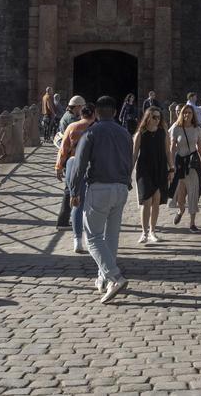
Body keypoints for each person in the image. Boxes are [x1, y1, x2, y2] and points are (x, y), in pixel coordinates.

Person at [69, 96, 134, 304]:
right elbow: (130, 160)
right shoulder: (125, 134)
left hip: (100, 187)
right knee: (111, 237)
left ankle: (114, 276)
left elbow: (79, 165)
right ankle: (103, 278)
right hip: (121, 187)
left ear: (96, 112)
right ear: (115, 112)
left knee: (94, 238)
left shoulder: (91, 132)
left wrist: (74, 190)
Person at [55, 103, 96, 253]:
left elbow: (63, 148)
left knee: (76, 200)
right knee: (92, 204)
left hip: (73, 162)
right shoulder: (96, 128)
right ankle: (91, 238)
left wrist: (59, 167)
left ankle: (77, 240)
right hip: (91, 164)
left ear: (81, 114)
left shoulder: (72, 127)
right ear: (93, 114)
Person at [132, 106, 173, 243]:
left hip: (160, 168)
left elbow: (168, 152)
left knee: (156, 200)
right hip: (144, 169)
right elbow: (134, 155)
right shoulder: (140, 133)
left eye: (159, 117)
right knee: (146, 200)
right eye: (154, 117)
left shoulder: (163, 133)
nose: (157, 120)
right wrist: (128, 173)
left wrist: (171, 169)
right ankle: (144, 232)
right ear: (148, 117)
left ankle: (152, 232)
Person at [168, 104, 201, 232]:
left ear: (193, 115)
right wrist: (170, 164)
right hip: (180, 163)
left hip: (193, 163)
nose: (187, 115)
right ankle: (181, 210)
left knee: (193, 193)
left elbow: (199, 147)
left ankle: (192, 223)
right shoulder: (176, 128)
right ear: (181, 114)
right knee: (180, 195)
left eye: (189, 113)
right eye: (185, 113)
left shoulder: (196, 129)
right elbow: (172, 147)